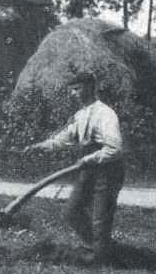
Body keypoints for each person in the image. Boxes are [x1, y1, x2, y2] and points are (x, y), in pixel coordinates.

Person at [24, 71, 126, 263]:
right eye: (71, 90)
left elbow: (115, 149)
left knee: (100, 220)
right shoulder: (80, 115)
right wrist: (41, 147)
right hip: (88, 169)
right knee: (72, 212)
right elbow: (65, 138)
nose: (73, 94)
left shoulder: (106, 114)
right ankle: (99, 249)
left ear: (90, 87)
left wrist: (89, 159)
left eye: (76, 90)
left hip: (108, 171)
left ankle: (103, 260)